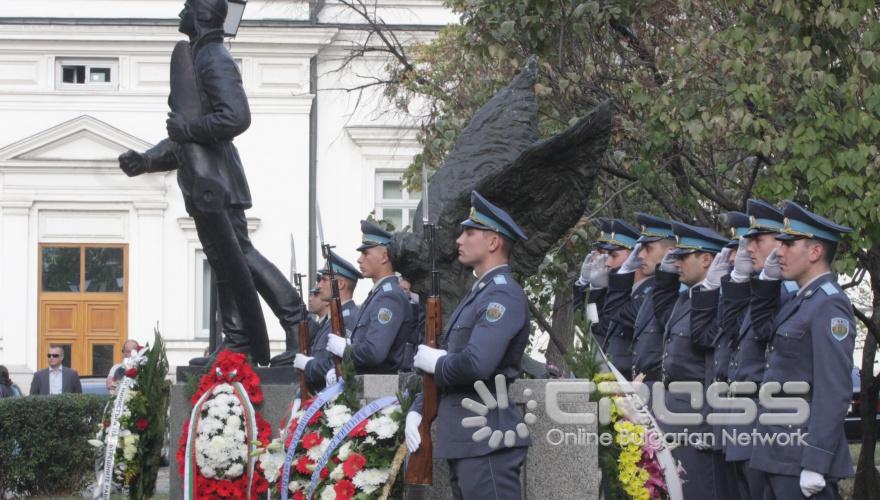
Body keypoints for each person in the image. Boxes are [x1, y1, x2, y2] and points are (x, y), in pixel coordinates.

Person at [117, 0, 305, 366]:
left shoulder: (214, 57)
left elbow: (236, 116)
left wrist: (189, 128)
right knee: (223, 263)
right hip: (203, 185)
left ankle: (298, 323)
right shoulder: (198, 55)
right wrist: (147, 160)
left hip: (219, 184)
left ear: (201, 14)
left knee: (242, 256)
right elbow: (184, 141)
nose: (180, 13)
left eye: (187, 6)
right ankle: (237, 340)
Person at [405, 191, 532, 498]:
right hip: (466, 440)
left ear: (493, 242)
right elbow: (451, 359)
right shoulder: (479, 293)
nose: (459, 240)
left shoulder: (502, 294)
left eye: (469, 232)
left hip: (486, 441)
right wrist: (419, 409)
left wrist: (436, 362)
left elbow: (476, 363)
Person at [749, 201, 855, 499]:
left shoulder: (829, 304)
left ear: (815, 251)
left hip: (801, 457)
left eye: (788, 244)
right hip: (779, 453)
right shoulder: (801, 300)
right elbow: (762, 330)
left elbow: (833, 389)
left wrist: (817, 462)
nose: (779, 252)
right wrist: (766, 282)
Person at [718, 200, 797, 500]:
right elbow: (731, 331)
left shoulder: (786, 293)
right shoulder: (760, 291)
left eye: (757, 240)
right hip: (743, 421)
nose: (748, 248)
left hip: (764, 421)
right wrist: (737, 281)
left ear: (780, 244)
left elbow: (766, 339)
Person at [655, 221, 730, 499]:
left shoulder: (718, 300)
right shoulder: (686, 298)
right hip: (676, 417)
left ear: (707, 259)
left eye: (684, 257)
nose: (677, 264)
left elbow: (714, 366)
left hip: (698, 422)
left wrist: (708, 426)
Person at [324, 221, 415, 378]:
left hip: (378, 386)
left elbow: (374, 352)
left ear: (384, 257)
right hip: (367, 383)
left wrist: (345, 350)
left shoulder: (389, 296)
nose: (359, 260)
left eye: (366, 253)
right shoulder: (378, 294)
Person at [296, 252, 361, 390]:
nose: (319, 285)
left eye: (324, 280)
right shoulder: (329, 320)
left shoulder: (349, 319)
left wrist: (309, 365)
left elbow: (338, 366)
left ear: (340, 284)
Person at [593, 219, 647, 380]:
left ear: (634, 256)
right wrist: (594, 290)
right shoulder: (618, 292)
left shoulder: (645, 294)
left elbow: (612, 317)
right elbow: (593, 326)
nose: (607, 263)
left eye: (613, 255)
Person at [630, 213, 678, 386]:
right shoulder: (653, 291)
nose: (640, 255)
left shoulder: (679, 294)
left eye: (648, 248)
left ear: (670, 252)